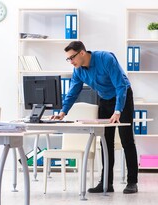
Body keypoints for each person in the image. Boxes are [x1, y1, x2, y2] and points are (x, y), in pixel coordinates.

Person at [52, 41, 138, 194]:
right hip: (104, 100)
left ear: (82, 53)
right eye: (68, 59)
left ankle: (132, 182)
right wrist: (63, 112)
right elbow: (73, 92)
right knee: (105, 141)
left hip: (122, 97)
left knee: (126, 140)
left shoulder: (105, 59)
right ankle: (106, 183)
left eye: (72, 58)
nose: (71, 62)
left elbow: (120, 86)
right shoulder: (78, 71)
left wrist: (118, 110)